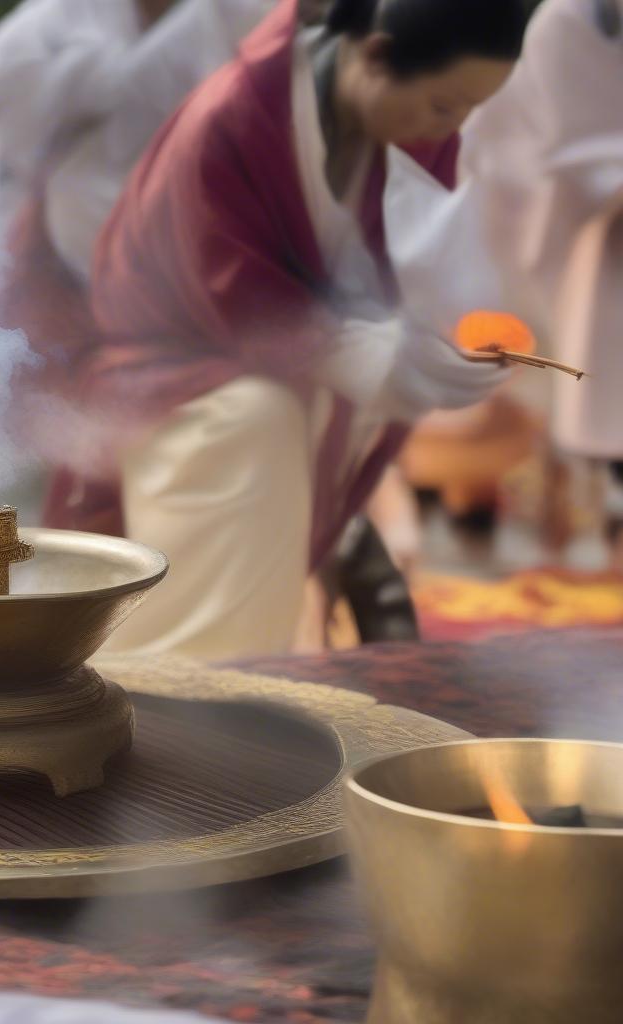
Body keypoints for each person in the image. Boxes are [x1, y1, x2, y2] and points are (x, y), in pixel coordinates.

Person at [48, 0, 531, 658]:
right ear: (376, 55)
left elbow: (420, 269)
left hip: (298, 380)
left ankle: (250, 693)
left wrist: (442, 340)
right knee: (255, 419)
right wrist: (384, 357)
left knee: (290, 422)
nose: (450, 128)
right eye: (445, 106)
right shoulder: (230, 121)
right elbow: (237, 301)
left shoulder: (407, 128)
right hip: (175, 380)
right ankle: (185, 694)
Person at [0, 0, 271, 305]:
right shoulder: (62, 20)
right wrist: (103, 79)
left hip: (167, 256)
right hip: (47, 268)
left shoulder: (226, 16)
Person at [461, 0, 623, 559]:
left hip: (601, 222)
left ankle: (591, 505)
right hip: (541, 209)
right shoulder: (567, 21)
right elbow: (570, 151)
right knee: (554, 368)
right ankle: (548, 503)